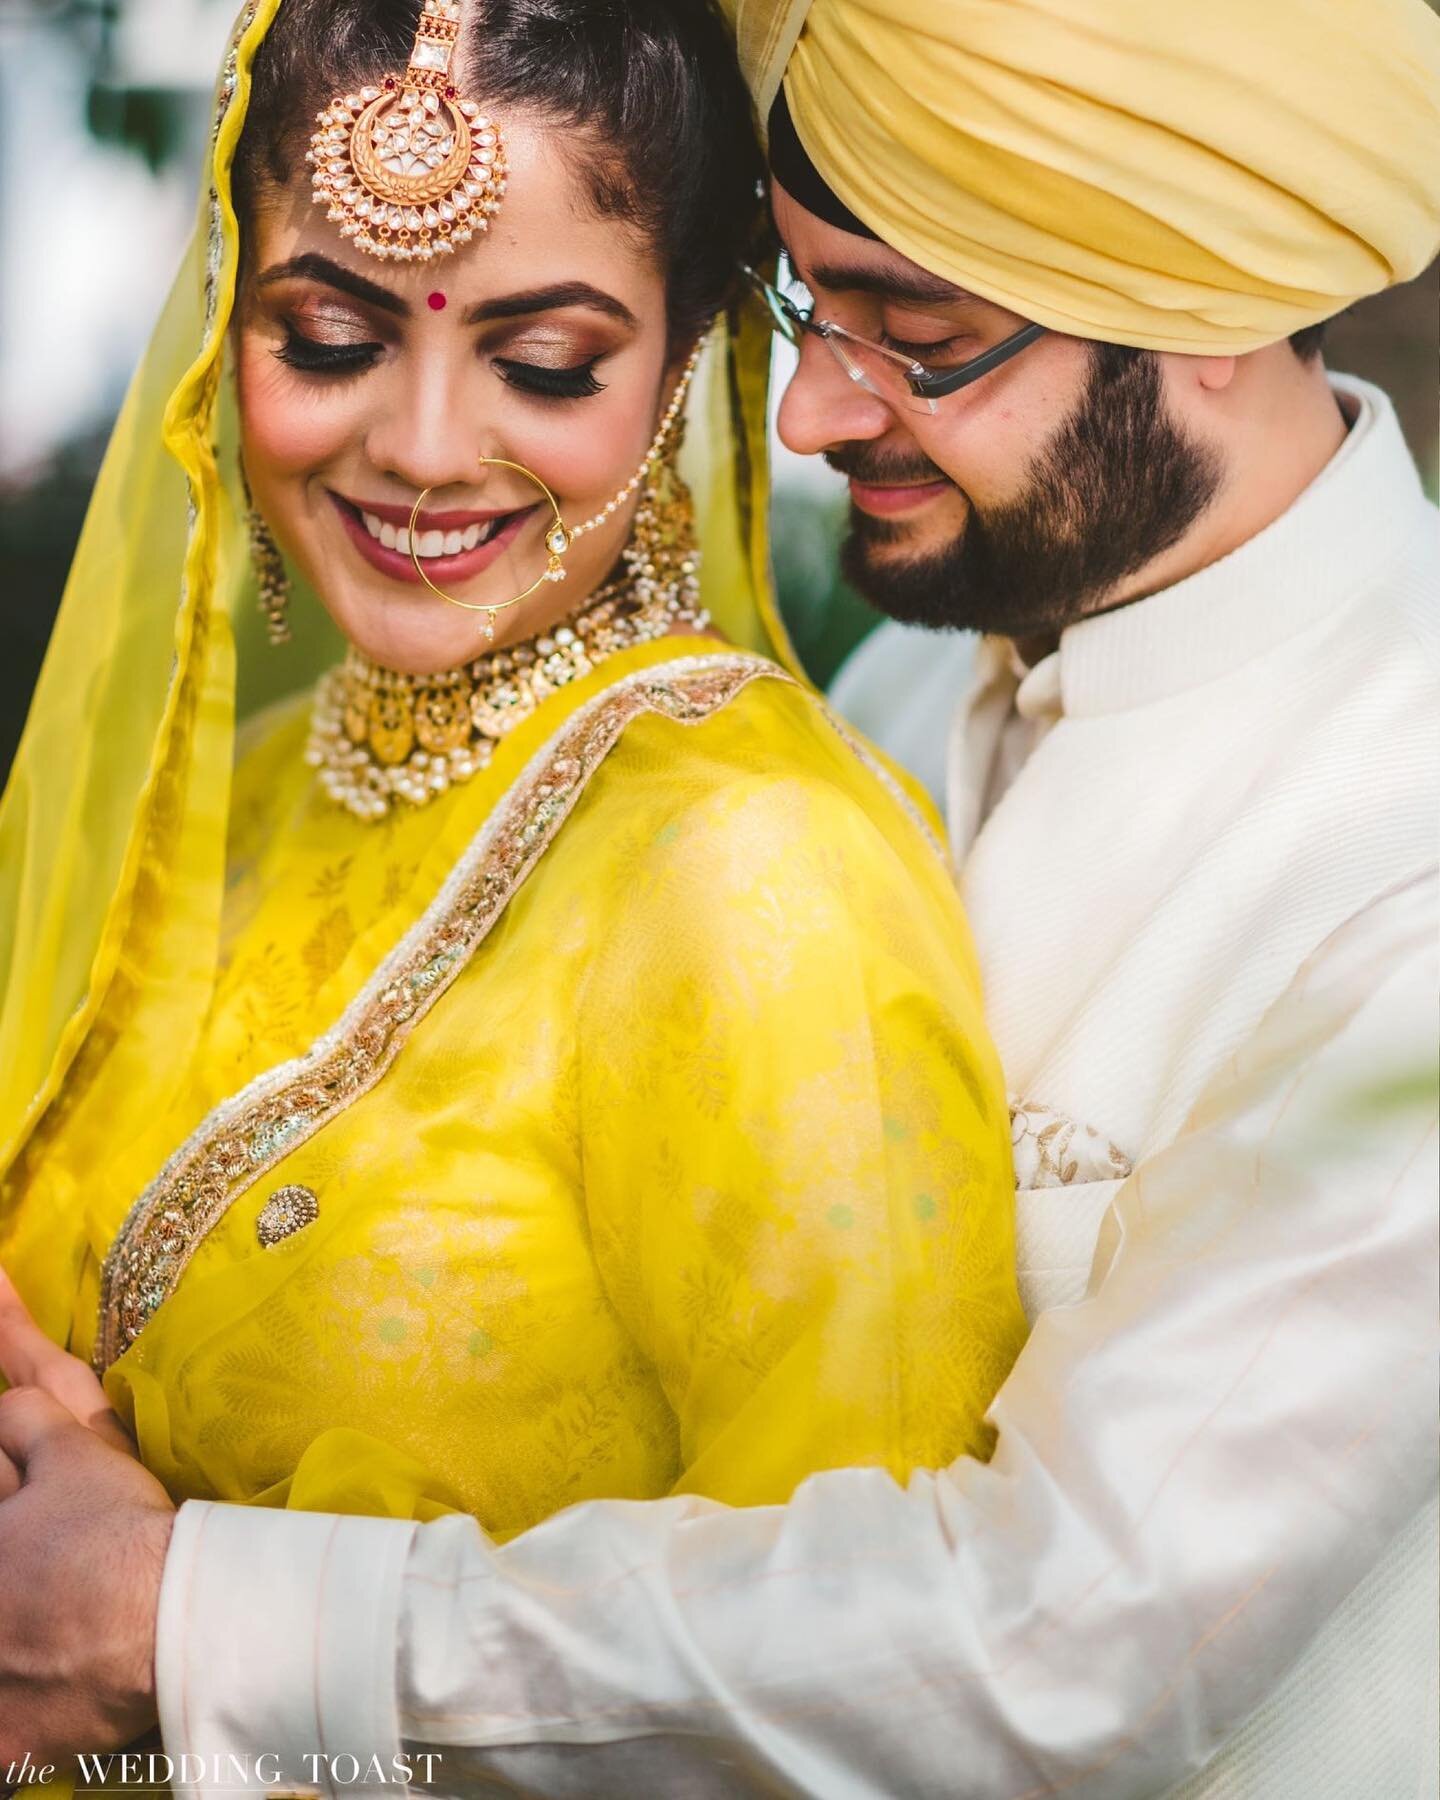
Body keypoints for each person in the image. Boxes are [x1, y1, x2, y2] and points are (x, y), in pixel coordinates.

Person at [0, 0, 1436, 1792]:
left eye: (924, 335)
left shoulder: (1405, 881)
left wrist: (178, 1617)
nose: (820, 409)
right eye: (805, 314)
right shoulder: (911, 693)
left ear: (1217, 303)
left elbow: (1066, 1645)